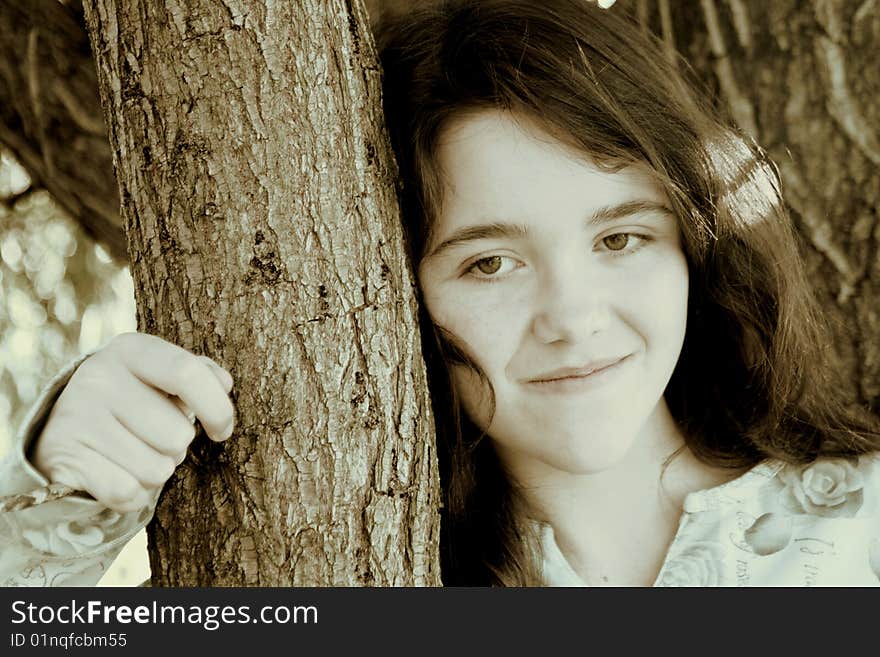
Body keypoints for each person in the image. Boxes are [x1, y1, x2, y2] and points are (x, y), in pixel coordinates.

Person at [1, 0, 879, 587]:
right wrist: (63, 497)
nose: (573, 317)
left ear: (693, 250)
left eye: (621, 238)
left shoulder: (864, 524)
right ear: (393, 296)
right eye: (489, 263)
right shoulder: (349, 565)